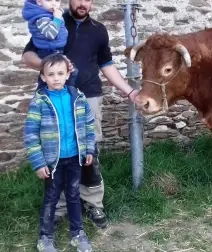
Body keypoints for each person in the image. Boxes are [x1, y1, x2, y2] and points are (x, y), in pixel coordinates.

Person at [22, 0, 140, 229]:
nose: (83, 3)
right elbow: (27, 56)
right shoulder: (52, 21)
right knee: (55, 151)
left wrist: (130, 91)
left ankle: (93, 203)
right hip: (54, 99)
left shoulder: (99, 30)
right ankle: (60, 207)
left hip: (89, 97)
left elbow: (106, 65)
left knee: (89, 152)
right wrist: (47, 64)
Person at [24, 53, 94, 252]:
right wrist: (38, 162)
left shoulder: (78, 97)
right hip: (52, 162)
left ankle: (77, 234)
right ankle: (45, 238)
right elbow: (30, 135)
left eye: (60, 73)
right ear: (43, 77)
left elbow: (88, 125)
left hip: (74, 158)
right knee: (52, 197)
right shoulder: (39, 102)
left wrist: (88, 149)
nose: (56, 78)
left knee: (73, 194)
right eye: (51, 74)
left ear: (67, 75)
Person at [22, 0, 79, 88]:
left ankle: (64, 90)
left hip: (55, 49)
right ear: (39, 2)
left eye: (57, 0)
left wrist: (67, 11)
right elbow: (51, 34)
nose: (53, 3)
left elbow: (61, 11)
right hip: (48, 51)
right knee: (52, 73)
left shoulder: (49, 13)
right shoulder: (41, 18)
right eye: (49, 0)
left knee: (68, 72)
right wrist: (57, 18)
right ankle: (52, 92)